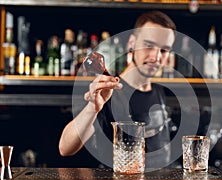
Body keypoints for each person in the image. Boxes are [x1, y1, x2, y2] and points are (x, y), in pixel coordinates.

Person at [59, 10, 178, 169]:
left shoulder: (158, 91)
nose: (156, 57)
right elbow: (65, 148)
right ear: (132, 43)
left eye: (164, 50)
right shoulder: (108, 90)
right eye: (149, 46)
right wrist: (92, 109)